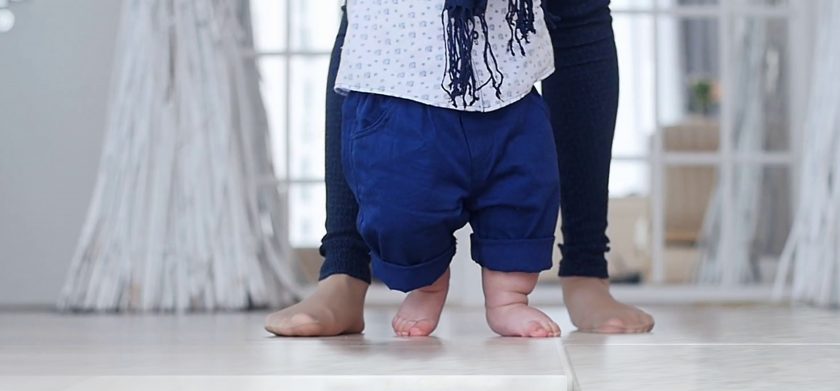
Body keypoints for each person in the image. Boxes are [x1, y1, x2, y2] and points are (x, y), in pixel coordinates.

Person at [266, 0, 654, 337]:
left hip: (511, 95)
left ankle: (585, 270)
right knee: (372, 13)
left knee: (576, 8)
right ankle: (344, 271)